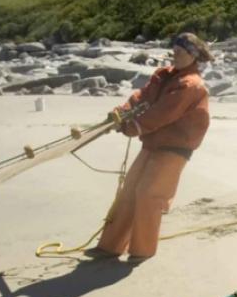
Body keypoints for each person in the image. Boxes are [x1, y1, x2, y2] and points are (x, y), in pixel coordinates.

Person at [84, 32, 213, 264]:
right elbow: (142, 97)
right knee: (130, 189)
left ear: (193, 56)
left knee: (149, 194)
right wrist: (122, 111)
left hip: (175, 146)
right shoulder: (164, 75)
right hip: (153, 142)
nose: (176, 55)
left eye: (181, 52)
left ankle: (142, 250)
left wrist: (134, 125)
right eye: (174, 51)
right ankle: (110, 246)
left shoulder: (191, 85)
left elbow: (163, 112)